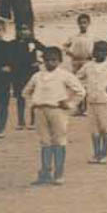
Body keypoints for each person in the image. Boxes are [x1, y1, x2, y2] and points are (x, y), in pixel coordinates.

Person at [24, 46, 87, 186]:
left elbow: (80, 92)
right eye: (47, 60)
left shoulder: (65, 75)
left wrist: (69, 104)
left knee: (59, 141)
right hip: (41, 110)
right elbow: (26, 92)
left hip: (58, 111)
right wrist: (33, 104)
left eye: (53, 60)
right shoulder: (37, 76)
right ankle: (45, 173)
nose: (50, 63)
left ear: (59, 61)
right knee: (45, 142)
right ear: (43, 61)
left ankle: (59, 174)